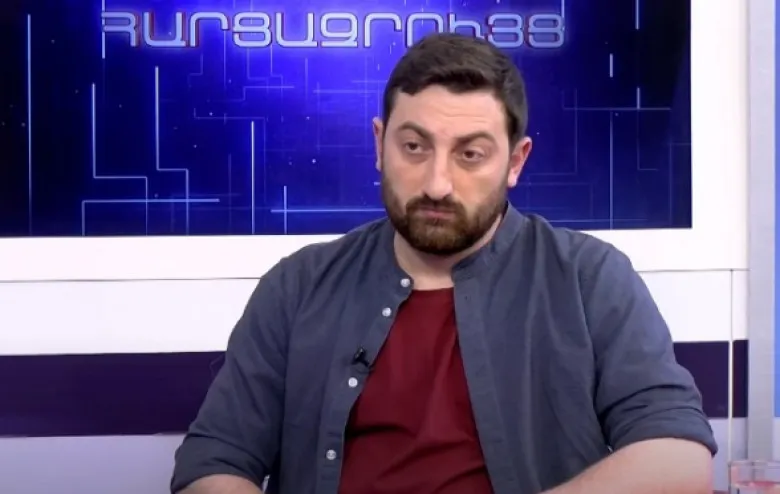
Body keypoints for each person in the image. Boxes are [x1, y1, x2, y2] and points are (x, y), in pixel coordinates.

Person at [171, 32, 716, 494]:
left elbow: (678, 456)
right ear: (380, 145)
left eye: (470, 154)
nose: (437, 183)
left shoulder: (588, 277)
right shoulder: (298, 286)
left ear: (516, 161)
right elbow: (214, 463)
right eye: (414, 147)